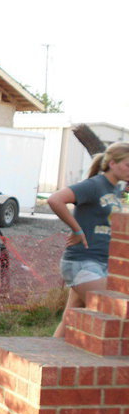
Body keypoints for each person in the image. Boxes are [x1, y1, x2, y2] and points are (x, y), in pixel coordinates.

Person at [48, 142, 129, 338]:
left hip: (100, 263)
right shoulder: (94, 185)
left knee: (68, 320)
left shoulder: (116, 191)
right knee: (117, 312)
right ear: (112, 163)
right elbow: (55, 199)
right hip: (83, 262)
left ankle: (49, 361)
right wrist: (76, 230)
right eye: (128, 165)